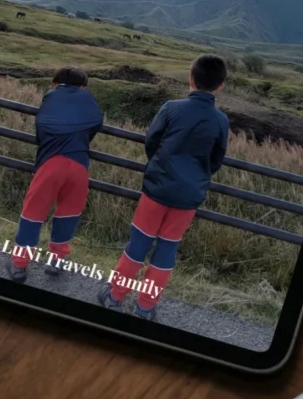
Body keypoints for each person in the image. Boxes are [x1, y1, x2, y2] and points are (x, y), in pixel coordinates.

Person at [98, 54, 229, 320]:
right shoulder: (221, 121)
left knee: (138, 244)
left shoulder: (171, 107)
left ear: (191, 79)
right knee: (167, 250)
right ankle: (145, 307)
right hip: (189, 195)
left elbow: (151, 141)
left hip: (157, 189)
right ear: (221, 86)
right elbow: (216, 159)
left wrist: (160, 166)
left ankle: (115, 297)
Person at [7, 65, 103, 282]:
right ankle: (57, 262)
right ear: (84, 87)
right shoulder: (88, 100)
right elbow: (96, 122)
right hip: (79, 165)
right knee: (68, 214)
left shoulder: (51, 96)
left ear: (55, 83)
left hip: (51, 163)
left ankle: (19, 264)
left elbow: (42, 126)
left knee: (33, 213)